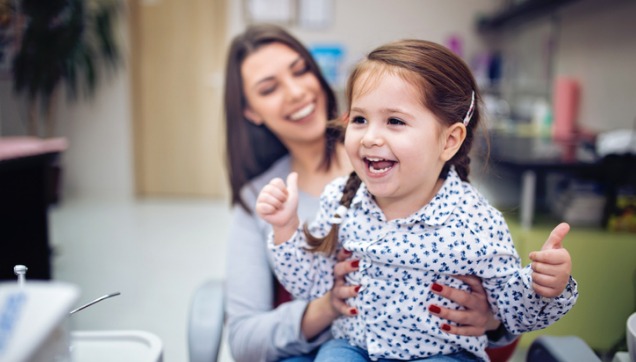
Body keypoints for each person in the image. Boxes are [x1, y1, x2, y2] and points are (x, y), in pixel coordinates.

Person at [255, 38, 578, 361]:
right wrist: (286, 227)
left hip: (445, 354)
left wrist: (544, 286)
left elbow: (513, 313)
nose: (370, 137)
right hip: (354, 347)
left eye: (395, 121)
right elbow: (310, 287)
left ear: (449, 141)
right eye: (359, 119)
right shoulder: (341, 201)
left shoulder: (475, 221)